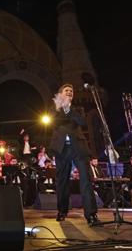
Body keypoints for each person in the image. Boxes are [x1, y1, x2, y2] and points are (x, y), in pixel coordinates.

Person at [49, 84, 99, 225]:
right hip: (61, 148)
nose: (70, 92)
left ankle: (91, 214)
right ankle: (62, 211)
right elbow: (52, 121)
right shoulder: (54, 109)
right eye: (66, 91)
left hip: (78, 147)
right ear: (60, 93)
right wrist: (61, 107)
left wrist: (68, 108)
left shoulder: (78, 109)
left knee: (86, 180)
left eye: (71, 91)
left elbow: (81, 122)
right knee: (62, 181)